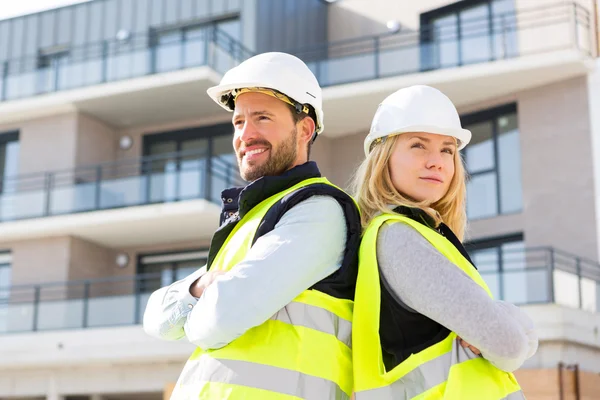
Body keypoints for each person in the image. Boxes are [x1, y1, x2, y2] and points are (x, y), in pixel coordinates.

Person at [143, 52, 361, 399]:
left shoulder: (319, 210)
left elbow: (215, 322)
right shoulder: (253, 220)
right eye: (238, 121)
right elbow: (155, 319)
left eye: (262, 117)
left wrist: (199, 307)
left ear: (304, 129)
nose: (246, 134)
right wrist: (200, 287)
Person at [351, 85, 538, 399]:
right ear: (383, 158)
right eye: (418, 146)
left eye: (447, 150)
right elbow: (509, 345)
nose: (436, 161)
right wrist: (518, 324)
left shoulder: (415, 236)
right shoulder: (399, 239)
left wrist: (502, 321)